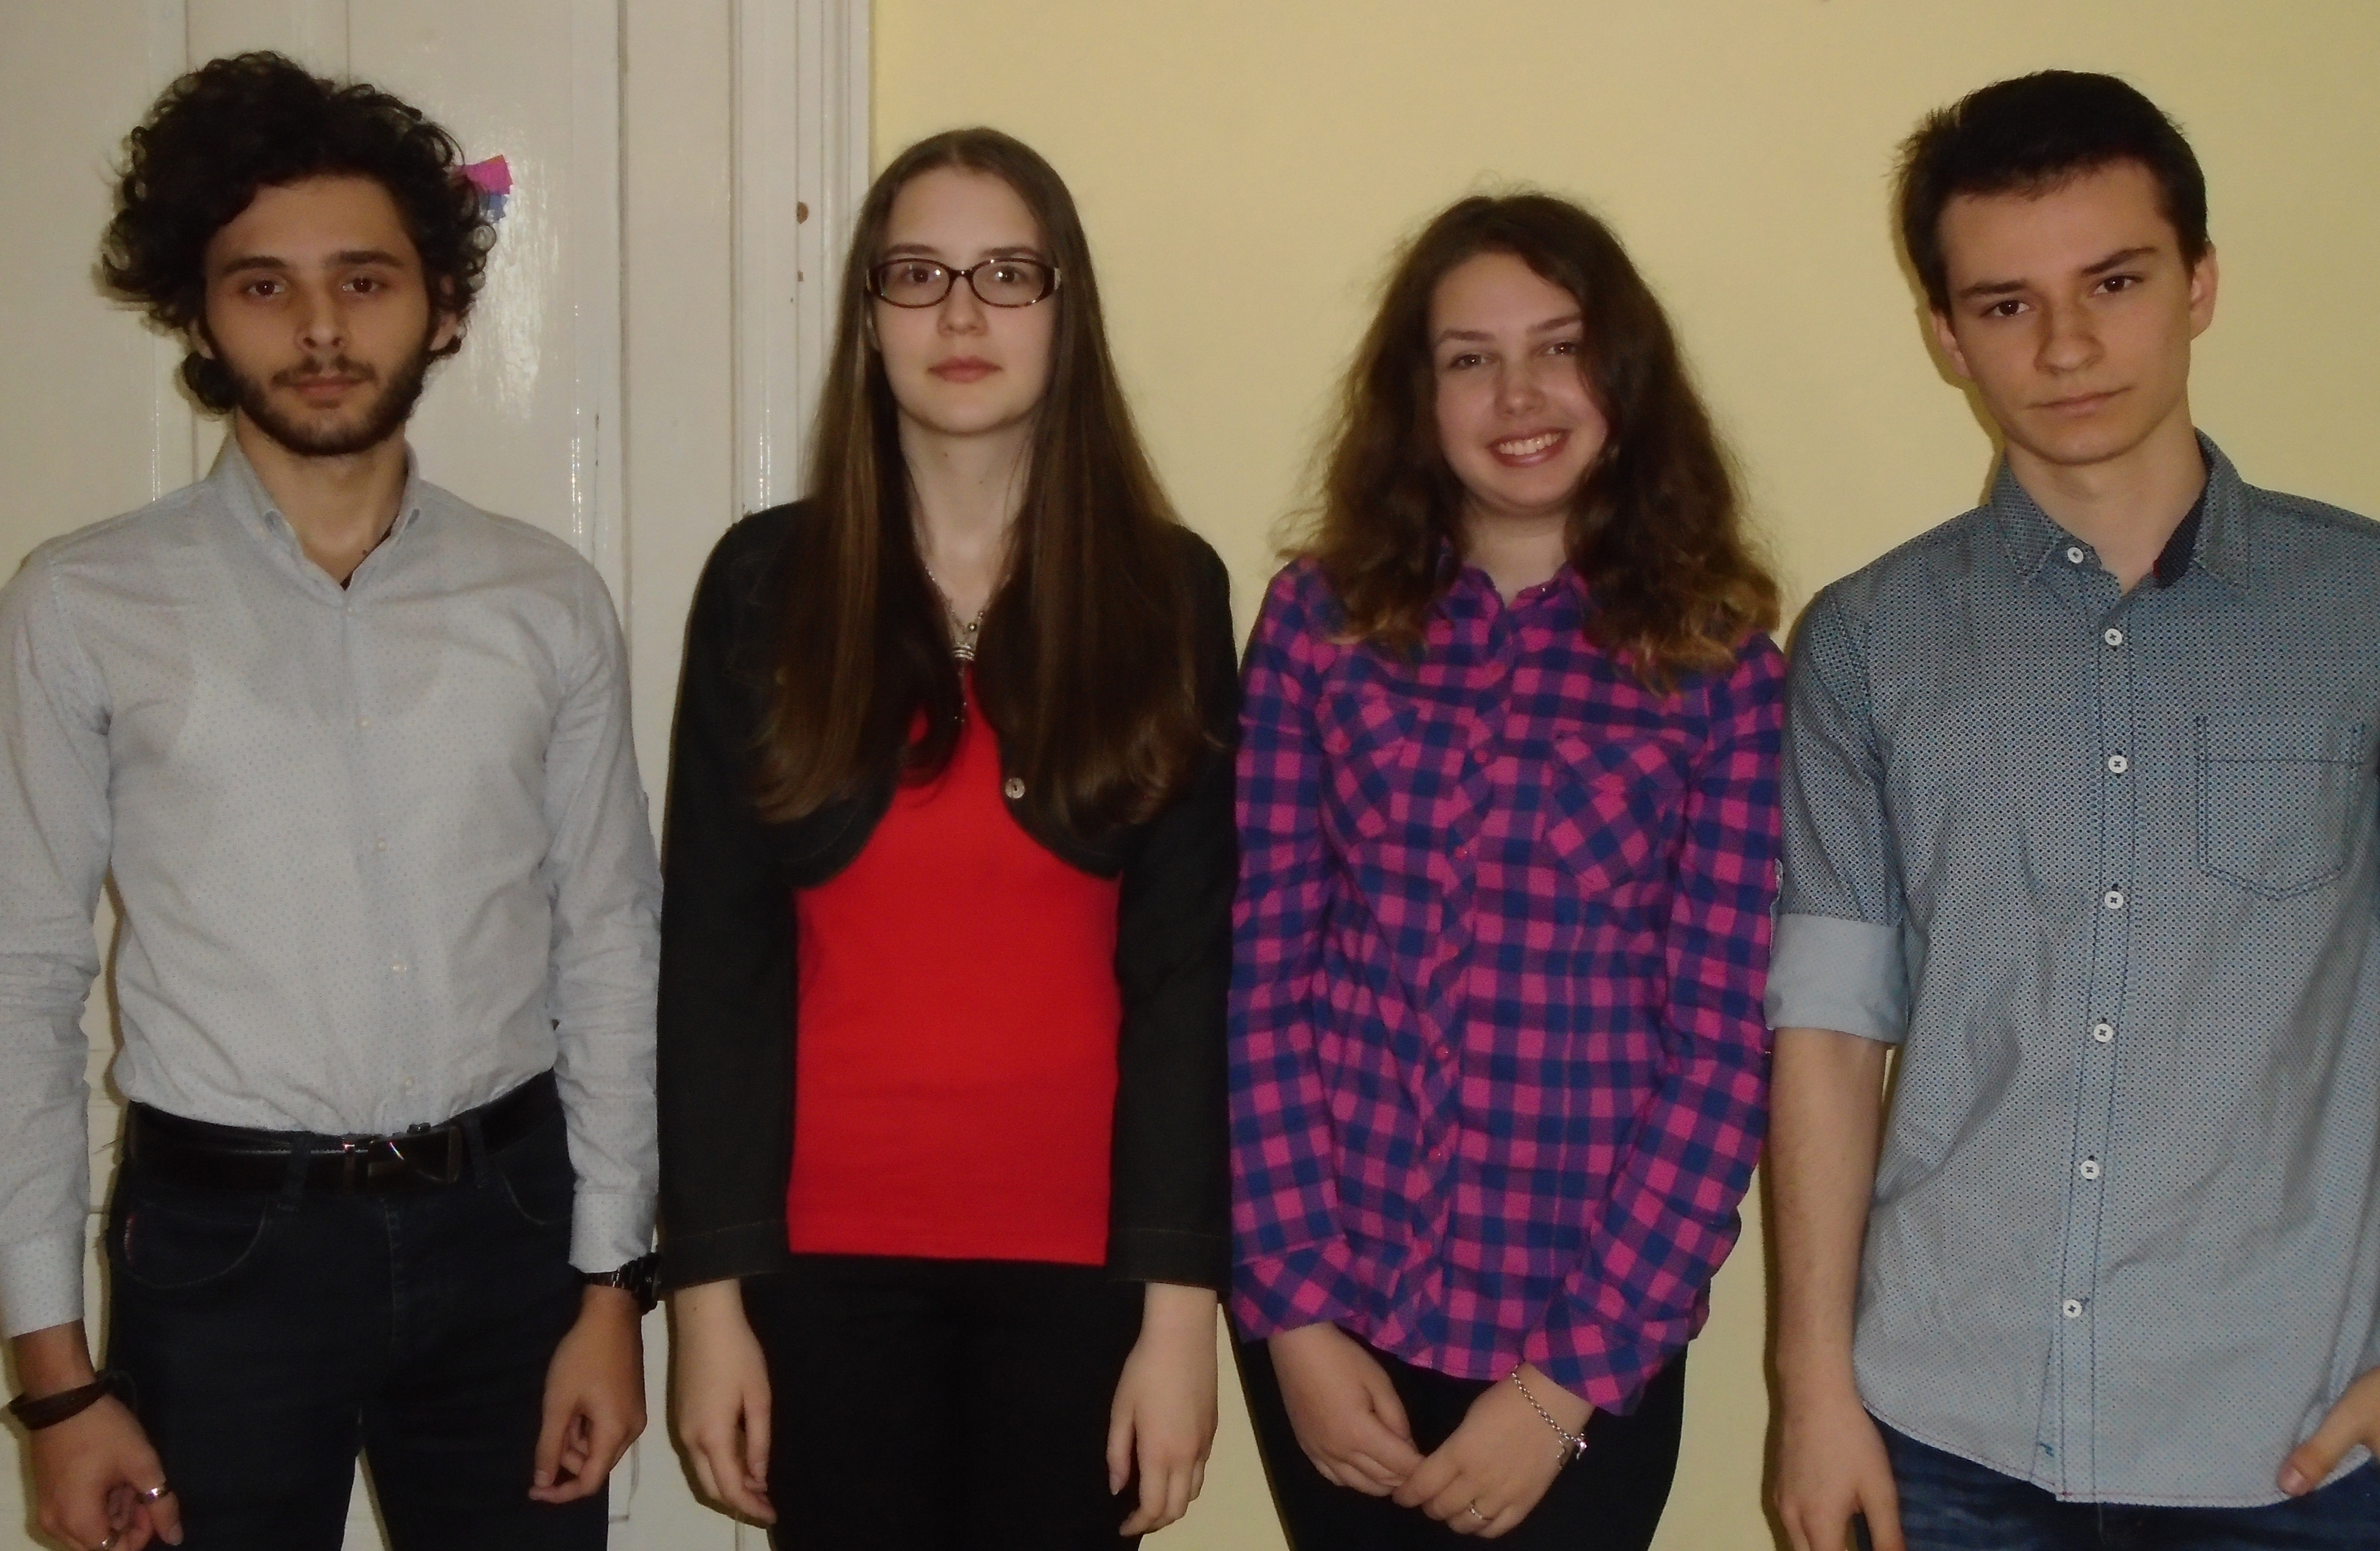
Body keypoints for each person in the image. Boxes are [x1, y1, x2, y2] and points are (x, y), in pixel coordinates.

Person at [0, 52, 660, 1551]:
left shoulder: (544, 600)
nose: (317, 329)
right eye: (263, 286)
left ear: (443, 304)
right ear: (197, 312)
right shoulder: (82, 604)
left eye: (363, 281)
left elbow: (612, 939)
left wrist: (612, 1283)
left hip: (512, 1233)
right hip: (221, 1251)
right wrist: (55, 1383)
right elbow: (22, 978)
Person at [1767, 70, 2380, 1551]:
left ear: (2200, 282)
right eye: (2005, 303)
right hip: (1940, 1433)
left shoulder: (2360, 611)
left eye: (2113, 280)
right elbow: (1829, 1035)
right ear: (1945, 334)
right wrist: (1808, 1387)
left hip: (2288, 1442)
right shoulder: (1864, 643)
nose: (2065, 345)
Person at [657, 127, 1236, 1550]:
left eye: (1005, 274)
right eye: (917, 275)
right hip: (821, 1269)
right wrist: (706, 1298)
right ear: (867, 317)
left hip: (1087, 1274)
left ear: (1064, 309)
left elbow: (1188, 974)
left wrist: (1181, 1312)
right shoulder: (764, 584)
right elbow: (713, 965)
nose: (962, 315)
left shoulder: (1166, 593)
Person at [1229, 192, 1785, 1548]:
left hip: (1584, 1357)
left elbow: (1720, 1050)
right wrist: (1293, 1316)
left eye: (1560, 347)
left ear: (1623, 377)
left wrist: (1564, 1385)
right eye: (1469, 358)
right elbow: (1259, 979)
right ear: (1416, 397)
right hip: (1336, 1336)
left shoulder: (1719, 666)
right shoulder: (1317, 623)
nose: (1518, 394)